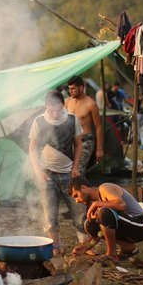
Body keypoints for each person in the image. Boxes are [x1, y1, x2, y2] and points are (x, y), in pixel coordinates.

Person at [29, 90, 88, 255]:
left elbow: (78, 144)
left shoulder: (71, 119)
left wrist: (75, 167)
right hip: (47, 174)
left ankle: (84, 247)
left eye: (58, 109)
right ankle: (55, 249)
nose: (54, 113)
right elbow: (32, 148)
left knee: (79, 211)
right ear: (46, 106)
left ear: (63, 105)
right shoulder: (39, 121)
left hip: (68, 174)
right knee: (50, 214)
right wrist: (37, 171)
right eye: (51, 109)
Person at [69, 177, 143, 262]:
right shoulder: (95, 203)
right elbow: (98, 234)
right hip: (128, 225)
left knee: (104, 213)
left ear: (84, 188)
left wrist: (97, 204)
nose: (77, 201)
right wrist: (85, 246)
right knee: (90, 224)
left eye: (76, 195)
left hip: (141, 225)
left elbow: (122, 205)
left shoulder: (104, 188)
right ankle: (128, 247)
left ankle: (111, 255)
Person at [65, 75, 104, 175]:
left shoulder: (91, 104)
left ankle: (79, 189)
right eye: (69, 89)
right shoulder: (68, 101)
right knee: (67, 171)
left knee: (77, 172)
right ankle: (74, 190)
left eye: (73, 88)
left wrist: (99, 149)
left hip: (85, 142)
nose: (70, 91)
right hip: (70, 142)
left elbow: (98, 127)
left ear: (81, 88)